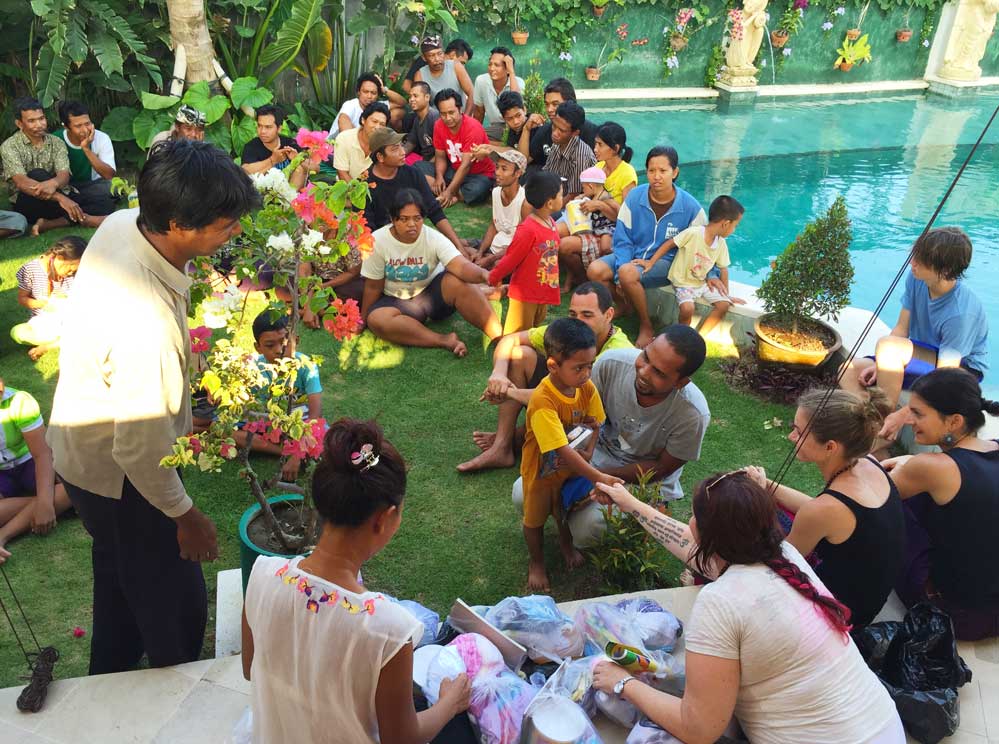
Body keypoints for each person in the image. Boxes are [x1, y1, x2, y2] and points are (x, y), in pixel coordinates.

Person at [47, 139, 260, 674]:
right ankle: (177, 696)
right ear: (180, 225)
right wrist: (188, 518)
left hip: (81, 455)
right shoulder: (148, 328)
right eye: (225, 223)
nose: (235, 230)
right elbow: (140, 451)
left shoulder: (125, 222)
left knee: (121, 586)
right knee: (175, 609)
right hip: (121, 483)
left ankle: (108, 675)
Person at [591, 472, 906, 744]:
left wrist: (622, 683)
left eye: (694, 516)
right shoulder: (786, 557)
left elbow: (699, 729)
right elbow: (691, 546)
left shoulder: (720, 602)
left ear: (708, 535)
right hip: (885, 730)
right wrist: (629, 503)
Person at [242, 418, 471, 742]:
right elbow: (401, 740)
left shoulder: (262, 576)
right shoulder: (388, 630)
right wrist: (450, 703)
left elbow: (249, 667)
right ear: (385, 519)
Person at [748, 389, 906, 627]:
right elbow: (819, 510)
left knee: (739, 527)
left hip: (836, 618)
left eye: (799, 432)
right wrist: (767, 486)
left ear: (830, 446)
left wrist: (758, 505)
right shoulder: (869, 463)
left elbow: (780, 566)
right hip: (866, 600)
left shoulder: (826, 510)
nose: (791, 437)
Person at [457, 282, 633, 473]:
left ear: (608, 315)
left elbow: (572, 401)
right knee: (519, 355)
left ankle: (515, 438)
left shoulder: (617, 354)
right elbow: (510, 340)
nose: (578, 321)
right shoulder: (568, 332)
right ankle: (503, 446)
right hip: (562, 403)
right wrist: (498, 373)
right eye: (573, 314)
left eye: (587, 315)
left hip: (593, 423)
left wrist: (508, 393)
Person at [561, 326, 710, 546]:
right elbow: (582, 419)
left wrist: (596, 477)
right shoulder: (610, 364)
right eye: (646, 357)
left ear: (681, 382)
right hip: (596, 456)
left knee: (586, 529)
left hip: (644, 482)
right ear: (647, 343)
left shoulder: (693, 414)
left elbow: (662, 468)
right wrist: (579, 466)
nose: (643, 371)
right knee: (523, 494)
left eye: (659, 373)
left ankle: (653, 514)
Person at [841, 227, 989, 440]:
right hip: (923, 358)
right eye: (915, 255)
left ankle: (878, 430)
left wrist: (905, 413)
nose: (913, 263)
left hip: (958, 371)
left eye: (921, 260)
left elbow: (946, 376)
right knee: (847, 370)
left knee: (889, 347)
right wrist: (882, 365)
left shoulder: (961, 312)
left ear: (945, 270)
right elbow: (901, 329)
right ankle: (875, 430)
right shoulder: (916, 279)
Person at [884, 368, 999, 640]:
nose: (910, 420)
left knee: (892, 509)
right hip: (992, 608)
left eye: (918, 414)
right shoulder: (993, 447)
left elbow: (867, 500)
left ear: (954, 421)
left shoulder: (934, 468)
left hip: (953, 615)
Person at [520, 318, 623, 591]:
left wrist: (589, 449)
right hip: (540, 473)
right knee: (534, 519)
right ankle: (537, 562)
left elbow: (595, 422)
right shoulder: (543, 401)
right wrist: (598, 475)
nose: (587, 373)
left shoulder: (585, 387)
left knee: (562, 509)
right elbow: (561, 450)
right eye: (579, 367)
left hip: (569, 469)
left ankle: (565, 544)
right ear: (553, 365)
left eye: (590, 365)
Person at [588, 146, 707, 349]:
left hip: (666, 262)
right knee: (595, 270)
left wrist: (712, 274)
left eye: (663, 171)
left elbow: (705, 246)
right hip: (633, 256)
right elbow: (622, 237)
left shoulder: (691, 208)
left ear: (675, 172)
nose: (656, 176)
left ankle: (646, 326)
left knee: (626, 273)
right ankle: (625, 306)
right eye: (651, 171)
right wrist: (622, 268)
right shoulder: (635, 198)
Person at [361, 189, 502, 357]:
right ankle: (444, 340)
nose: (412, 224)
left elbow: (461, 266)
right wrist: (363, 320)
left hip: (432, 295)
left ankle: (501, 337)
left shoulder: (434, 238)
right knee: (377, 320)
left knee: (458, 282)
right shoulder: (377, 241)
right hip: (396, 300)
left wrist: (484, 275)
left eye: (417, 218)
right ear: (393, 219)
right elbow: (372, 286)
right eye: (404, 219)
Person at [231, 309, 324, 482]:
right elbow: (248, 411)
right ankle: (285, 452)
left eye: (284, 342)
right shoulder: (253, 369)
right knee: (231, 434)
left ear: (295, 340)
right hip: (272, 424)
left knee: (327, 438)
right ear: (257, 347)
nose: (279, 350)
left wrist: (299, 450)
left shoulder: (307, 367)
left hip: (303, 425)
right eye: (269, 345)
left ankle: (298, 452)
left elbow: (315, 415)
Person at [0, 379, 73, 564]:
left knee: (74, 487)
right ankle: (51, 503)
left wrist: (46, 504)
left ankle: (3, 535)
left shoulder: (20, 401)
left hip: (30, 462)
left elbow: (42, 455)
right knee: (69, 495)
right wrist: (44, 501)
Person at [363, 127, 466, 255]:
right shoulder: (363, 186)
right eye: (395, 149)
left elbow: (434, 211)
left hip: (414, 237)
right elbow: (366, 230)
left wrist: (458, 246)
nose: (403, 152)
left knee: (459, 253)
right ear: (380, 157)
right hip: (382, 246)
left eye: (402, 145)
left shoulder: (413, 174)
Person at [558, 123, 636, 290]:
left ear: (615, 148)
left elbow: (626, 215)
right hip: (589, 220)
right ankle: (579, 277)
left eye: (600, 144)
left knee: (564, 246)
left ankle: (583, 279)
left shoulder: (627, 173)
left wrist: (599, 204)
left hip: (609, 228)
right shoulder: (598, 167)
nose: (595, 149)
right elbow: (588, 192)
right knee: (554, 234)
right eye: (595, 144)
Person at [1, 97, 95, 235]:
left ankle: (51, 223)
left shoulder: (56, 142)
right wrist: (61, 198)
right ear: (19, 124)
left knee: (103, 200)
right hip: (28, 201)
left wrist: (53, 183)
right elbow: (21, 182)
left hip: (56, 199)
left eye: (41, 118)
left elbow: (64, 175)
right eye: (32, 121)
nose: (39, 124)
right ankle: (80, 216)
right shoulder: (9, 146)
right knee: (37, 174)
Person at [659, 194, 746, 338]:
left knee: (724, 304)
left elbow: (723, 269)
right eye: (734, 226)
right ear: (725, 224)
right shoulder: (694, 233)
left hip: (701, 282)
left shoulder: (721, 243)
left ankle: (699, 337)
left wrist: (727, 295)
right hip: (683, 283)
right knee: (688, 308)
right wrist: (650, 262)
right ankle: (680, 337)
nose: (734, 230)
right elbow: (670, 243)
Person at [487, 171, 562, 334]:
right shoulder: (528, 230)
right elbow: (511, 258)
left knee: (534, 330)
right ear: (550, 203)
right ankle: (507, 356)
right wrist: (493, 277)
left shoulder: (551, 223)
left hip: (543, 289)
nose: (563, 198)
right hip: (525, 293)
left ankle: (528, 355)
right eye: (561, 195)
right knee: (515, 334)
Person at [11, 235, 87, 360]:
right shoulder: (30, 270)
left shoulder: (77, 273)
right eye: (70, 270)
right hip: (43, 323)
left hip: (70, 321)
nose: (71, 274)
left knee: (83, 326)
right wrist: (43, 304)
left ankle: (48, 346)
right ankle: (63, 340)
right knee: (17, 332)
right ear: (60, 258)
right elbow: (22, 299)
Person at [53, 100, 118, 218]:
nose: (85, 130)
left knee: (113, 186)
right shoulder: (56, 139)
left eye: (87, 123)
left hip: (91, 186)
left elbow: (109, 175)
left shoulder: (102, 138)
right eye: (78, 126)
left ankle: (74, 206)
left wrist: (86, 148)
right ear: (66, 127)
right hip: (66, 188)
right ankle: (83, 205)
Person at [431, 88, 495, 207]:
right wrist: (439, 177)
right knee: (420, 168)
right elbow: (440, 156)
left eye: (451, 112)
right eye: (443, 114)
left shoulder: (472, 127)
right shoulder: (438, 125)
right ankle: (451, 191)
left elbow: (466, 165)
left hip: (478, 174)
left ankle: (450, 194)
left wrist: (449, 192)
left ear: (460, 109)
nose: (448, 118)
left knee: (477, 190)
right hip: (454, 170)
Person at [557, 166, 616, 291]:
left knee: (606, 247)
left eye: (583, 187)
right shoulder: (591, 196)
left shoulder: (604, 197)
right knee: (564, 242)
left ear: (591, 186)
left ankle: (604, 276)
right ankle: (578, 278)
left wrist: (601, 206)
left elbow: (620, 213)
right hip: (592, 231)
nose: (582, 190)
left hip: (606, 231)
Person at [471, 149, 529, 269]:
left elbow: (521, 243)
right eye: (497, 167)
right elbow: (494, 225)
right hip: (495, 246)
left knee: (497, 265)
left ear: (518, 173)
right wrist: (480, 253)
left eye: (504, 169)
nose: (497, 172)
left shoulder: (524, 202)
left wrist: (490, 258)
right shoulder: (496, 192)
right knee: (458, 246)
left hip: (512, 253)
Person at [526, 78, 599, 171]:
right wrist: (526, 129)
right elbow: (523, 162)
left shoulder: (591, 134)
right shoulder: (546, 131)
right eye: (547, 104)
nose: (549, 109)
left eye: (555, 104)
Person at [241, 104, 313, 190]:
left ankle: (290, 200)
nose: (262, 131)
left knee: (300, 168)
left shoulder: (289, 143)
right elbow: (244, 172)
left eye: (268, 127)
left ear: (279, 128)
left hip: (292, 191)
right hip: (265, 194)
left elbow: (316, 168)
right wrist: (272, 160)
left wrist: (297, 159)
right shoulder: (251, 146)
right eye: (260, 126)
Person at [542, 101, 595, 201]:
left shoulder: (581, 156)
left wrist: (549, 210)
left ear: (575, 133)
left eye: (561, 130)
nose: (555, 133)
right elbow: (546, 172)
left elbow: (573, 195)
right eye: (554, 126)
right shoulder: (558, 143)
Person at [329, 72, 407, 138]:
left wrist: (383, 89)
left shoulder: (378, 106)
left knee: (398, 112)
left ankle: (401, 139)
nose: (369, 96)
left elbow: (402, 103)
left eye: (373, 93)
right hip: (335, 146)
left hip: (365, 146)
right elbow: (343, 120)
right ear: (358, 92)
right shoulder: (350, 105)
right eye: (365, 92)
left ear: (378, 95)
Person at [472, 47, 524, 142]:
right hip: (496, 128)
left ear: (507, 69)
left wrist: (511, 72)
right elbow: (479, 112)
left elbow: (516, 103)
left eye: (497, 65)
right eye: (490, 64)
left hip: (515, 127)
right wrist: (475, 133)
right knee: (474, 139)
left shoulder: (518, 83)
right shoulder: (481, 81)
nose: (492, 68)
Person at [414, 35, 475, 113]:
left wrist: (465, 119)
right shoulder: (420, 75)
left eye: (439, 54)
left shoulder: (456, 66)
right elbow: (420, 104)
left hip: (459, 117)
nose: (437, 59)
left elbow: (472, 93)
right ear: (424, 58)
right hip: (435, 120)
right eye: (431, 55)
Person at [334, 102, 389, 182]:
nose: (377, 127)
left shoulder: (386, 144)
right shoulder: (344, 138)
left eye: (382, 124)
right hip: (345, 188)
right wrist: (357, 193)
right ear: (363, 120)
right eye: (374, 121)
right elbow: (342, 174)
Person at [402, 81, 440, 180]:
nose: (411, 100)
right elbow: (410, 143)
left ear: (427, 97)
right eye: (410, 96)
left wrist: (425, 166)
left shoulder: (434, 117)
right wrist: (398, 153)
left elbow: (441, 152)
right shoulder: (417, 119)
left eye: (415, 96)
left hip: (435, 164)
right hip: (423, 160)